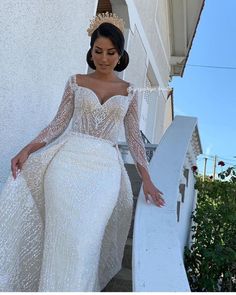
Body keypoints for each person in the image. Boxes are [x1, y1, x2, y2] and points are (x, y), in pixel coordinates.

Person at [0, 12, 165, 292]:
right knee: (60, 242)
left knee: (85, 244)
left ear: (121, 54)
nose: (103, 58)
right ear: (90, 52)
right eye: (98, 51)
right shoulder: (76, 82)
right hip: (66, 168)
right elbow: (57, 124)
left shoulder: (129, 91)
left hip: (104, 174)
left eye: (111, 52)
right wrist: (27, 149)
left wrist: (146, 178)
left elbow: (134, 138)